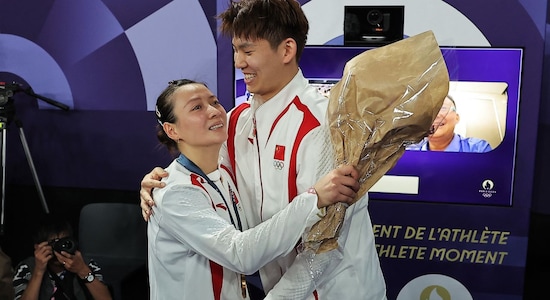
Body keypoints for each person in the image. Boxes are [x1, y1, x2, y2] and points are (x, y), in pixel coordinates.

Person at [140, 0, 387, 299]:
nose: (238, 62)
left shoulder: (324, 124)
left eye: (248, 51)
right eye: (235, 50)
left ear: (286, 50)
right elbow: (199, 173)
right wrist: (158, 182)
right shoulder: (238, 120)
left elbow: (326, 244)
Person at [147, 78, 360, 299]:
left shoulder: (224, 173)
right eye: (197, 107)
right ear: (172, 130)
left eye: (215, 102)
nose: (213, 111)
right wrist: (313, 199)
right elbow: (241, 254)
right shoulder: (175, 192)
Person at [12, 214, 112, 300]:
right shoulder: (27, 267)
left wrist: (82, 271)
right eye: (53, 243)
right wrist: (38, 271)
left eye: (64, 242)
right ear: (37, 247)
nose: (59, 249)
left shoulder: (84, 263)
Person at [406, 95, 493, 152]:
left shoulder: (478, 149)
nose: (435, 115)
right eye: (429, 112)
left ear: (457, 117)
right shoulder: (409, 151)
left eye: (443, 108)